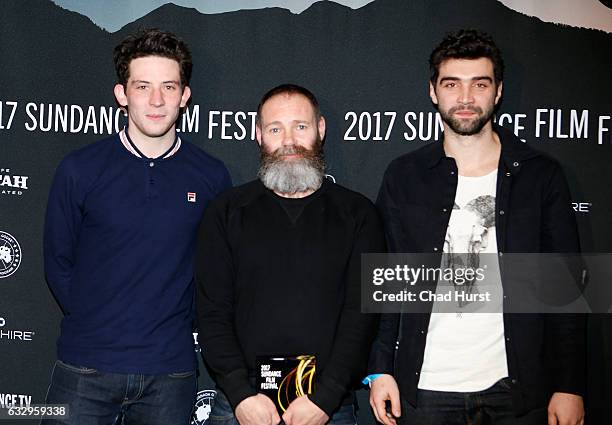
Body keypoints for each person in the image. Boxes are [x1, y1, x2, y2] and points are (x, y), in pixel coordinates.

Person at [368, 29, 585, 425]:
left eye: (479, 84)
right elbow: (387, 280)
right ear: (433, 91)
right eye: (452, 84)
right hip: (424, 389)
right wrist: (380, 369)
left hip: (517, 389)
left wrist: (569, 384)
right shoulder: (404, 175)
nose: (465, 98)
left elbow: (565, 287)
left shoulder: (540, 175)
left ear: (498, 91)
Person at [43, 28, 231, 425]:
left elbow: (216, 270)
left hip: (171, 373)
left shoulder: (211, 176)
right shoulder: (79, 169)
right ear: (122, 94)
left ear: (185, 96)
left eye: (169, 86)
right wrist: (95, 325)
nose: (157, 100)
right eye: (143, 86)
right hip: (84, 368)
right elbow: (58, 261)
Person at [196, 84, 386, 425]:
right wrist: (241, 395)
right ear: (259, 135)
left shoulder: (358, 214)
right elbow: (212, 313)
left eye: (301, 126)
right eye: (275, 128)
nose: (289, 140)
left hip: (329, 407)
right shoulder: (225, 212)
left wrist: (326, 398)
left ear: (321, 130)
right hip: (241, 406)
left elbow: (362, 315)